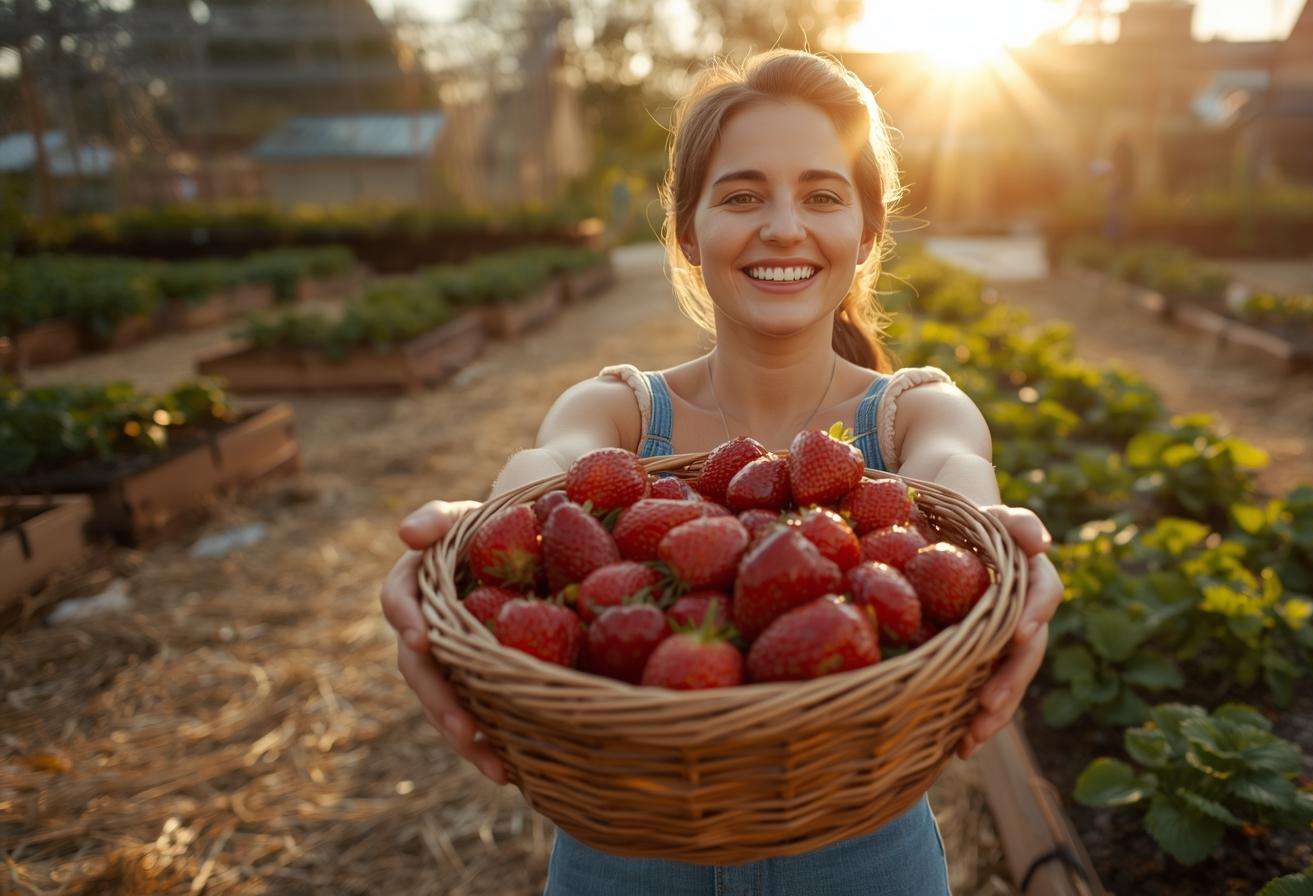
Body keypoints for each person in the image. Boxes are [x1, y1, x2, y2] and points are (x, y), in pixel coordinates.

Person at [379, 48, 1063, 895]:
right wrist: (470, 535)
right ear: (688, 231)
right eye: (743, 195)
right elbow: (547, 467)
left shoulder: (918, 413)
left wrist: (994, 550)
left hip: (865, 865)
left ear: (868, 230)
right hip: (624, 859)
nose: (783, 226)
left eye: (822, 195)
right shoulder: (621, 413)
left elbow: (956, 484)